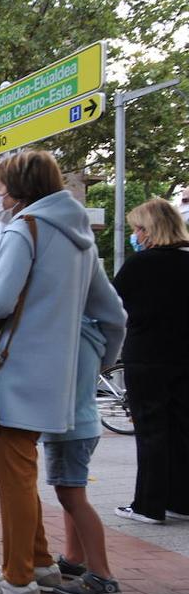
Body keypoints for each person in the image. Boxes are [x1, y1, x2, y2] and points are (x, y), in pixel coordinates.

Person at [0, 150, 125, 594]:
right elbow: (114, 316)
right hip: (57, 380)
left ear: (16, 190)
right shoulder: (81, 239)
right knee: (21, 470)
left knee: (11, 472)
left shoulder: (25, 228)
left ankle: (17, 581)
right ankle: (36, 562)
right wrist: (96, 364)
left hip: (16, 373)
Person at [113, 197, 189, 525]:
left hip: (147, 357)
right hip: (185, 357)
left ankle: (148, 505)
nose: (136, 235)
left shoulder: (140, 265)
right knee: (182, 430)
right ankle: (181, 502)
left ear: (150, 231)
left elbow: (114, 306)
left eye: (138, 229)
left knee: (151, 430)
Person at [45, 317, 123, 594]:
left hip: (70, 429)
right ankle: (75, 559)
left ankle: (102, 575)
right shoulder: (90, 333)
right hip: (83, 425)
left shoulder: (64, 337)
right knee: (71, 493)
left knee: (73, 497)